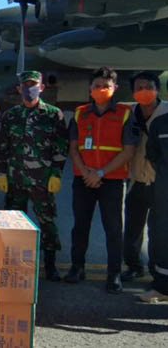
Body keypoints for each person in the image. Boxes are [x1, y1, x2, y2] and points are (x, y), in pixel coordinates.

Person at [65, 67, 139, 294]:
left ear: (115, 88)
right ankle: (77, 267)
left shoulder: (125, 113)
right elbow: (73, 148)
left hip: (112, 180)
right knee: (80, 226)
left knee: (113, 228)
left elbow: (128, 151)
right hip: (83, 178)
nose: (100, 90)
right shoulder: (80, 113)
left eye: (105, 86)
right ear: (90, 88)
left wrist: (101, 173)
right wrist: (87, 172)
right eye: (97, 86)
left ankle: (114, 273)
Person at [0, 70, 68, 281]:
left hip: (42, 180)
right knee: (13, 223)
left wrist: (56, 174)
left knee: (47, 222)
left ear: (42, 87)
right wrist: (1, 173)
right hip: (15, 179)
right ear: (19, 88)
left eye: (33, 84)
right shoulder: (11, 115)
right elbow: (2, 147)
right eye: (25, 85)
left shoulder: (53, 114)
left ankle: (51, 264)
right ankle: (15, 262)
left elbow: (60, 147)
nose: (29, 88)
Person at [121, 72, 168, 282]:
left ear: (158, 89)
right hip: (136, 180)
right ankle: (133, 265)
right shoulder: (129, 112)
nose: (143, 91)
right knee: (132, 227)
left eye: (148, 87)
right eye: (139, 88)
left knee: (159, 230)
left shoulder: (166, 111)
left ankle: (157, 268)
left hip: (161, 182)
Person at [142, 102, 168, 302]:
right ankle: (162, 287)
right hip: (164, 191)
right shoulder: (159, 124)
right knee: (162, 238)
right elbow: (152, 154)